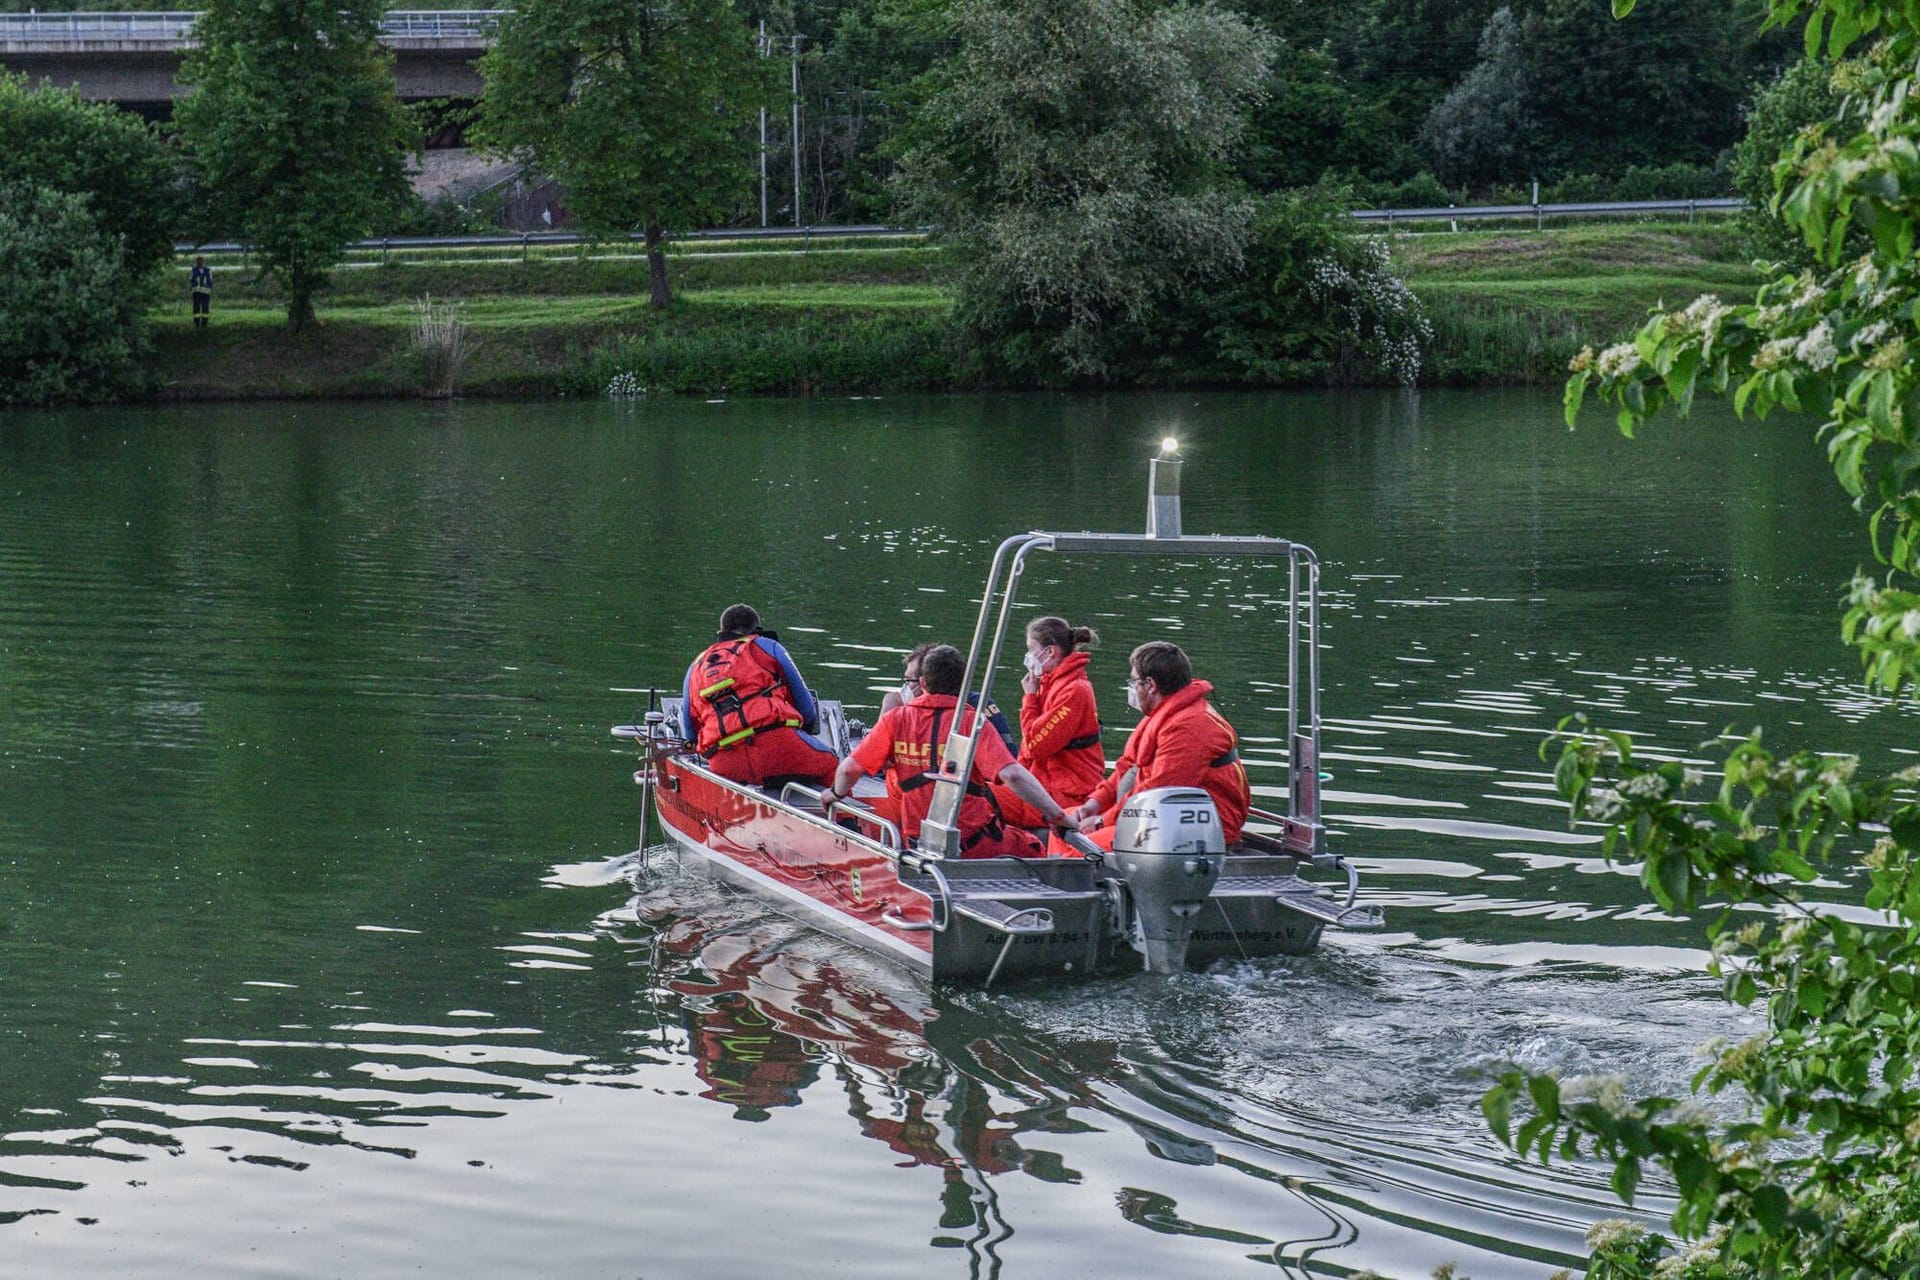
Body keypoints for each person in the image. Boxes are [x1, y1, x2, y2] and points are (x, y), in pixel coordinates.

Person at [831, 644, 1077, 858]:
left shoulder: (896, 720)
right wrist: (1057, 816)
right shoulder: (972, 722)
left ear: (923, 683)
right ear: (963, 685)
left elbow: (850, 769)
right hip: (974, 844)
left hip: (917, 844)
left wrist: (833, 795)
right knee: (1035, 847)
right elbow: (1013, 775)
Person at [1072, 641, 1250, 850]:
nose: (1132, 688)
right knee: (1065, 824)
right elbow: (1127, 766)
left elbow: (1158, 793)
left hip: (1195, 833)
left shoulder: (1188, 729)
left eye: (1134, 681)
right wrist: (1094, 804)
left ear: (1150, 685)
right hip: (1159, 819)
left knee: (1076, 845)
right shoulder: (1166, 714)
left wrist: (1102, 822)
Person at [680, 603, 837, 788]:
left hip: (724, 763)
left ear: (720, 632)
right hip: (778, 749)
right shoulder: (767, 646)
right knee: (834, 765)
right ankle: (844, 817)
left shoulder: (695, 667)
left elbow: (690, 734)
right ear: (757, 631)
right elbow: (807, 711)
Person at [1016, 616, 1105, 810]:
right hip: (1043, 785)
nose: (1028, 655)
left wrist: (1030, 698)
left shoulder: (1074, 691)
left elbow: (1034, 746)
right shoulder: (1049, 682)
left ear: (1050, 651)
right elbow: (1028, 748)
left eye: (1031, 649)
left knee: (978, 799)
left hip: (1067, 794)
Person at [189, 256, 213, 329]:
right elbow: (191, 280)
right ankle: (197, 323)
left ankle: (204, 322)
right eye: (198, 261)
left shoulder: (208, 270)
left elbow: (211, 280)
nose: (200, 263)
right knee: (196, 308)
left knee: (205, 307)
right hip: (196, 292)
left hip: (205, 292)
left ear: (203, 262)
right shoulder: (193, 270)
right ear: (196, 262)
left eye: (201, 261)